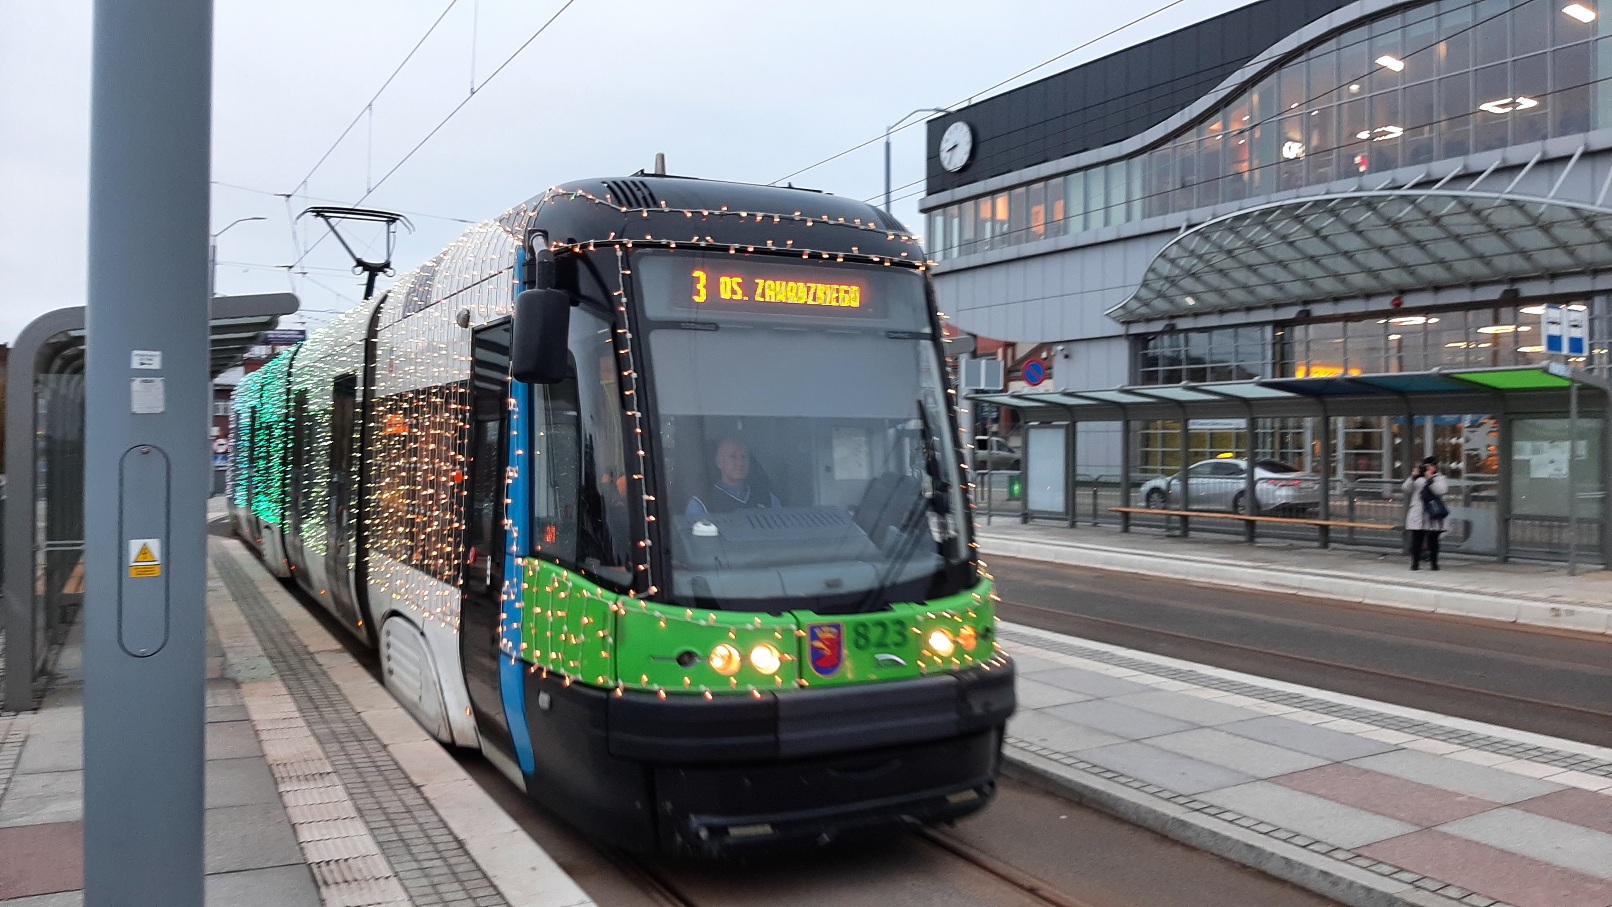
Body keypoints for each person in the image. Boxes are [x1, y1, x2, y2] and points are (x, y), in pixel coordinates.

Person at [685, 437, 781, 516]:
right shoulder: (701, 504)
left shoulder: (768, 499)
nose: (740, 463)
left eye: (744, 457)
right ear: (719, 462)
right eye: (732, 457)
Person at [1403, 456, 1449, 571]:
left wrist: (1430, 480)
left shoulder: (1439, 478)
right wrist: (1413, 477)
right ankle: (1415, 563)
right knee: (1417, 538)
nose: (1430, 468)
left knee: (1433, 539)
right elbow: (1405, 488)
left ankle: (1434, 563)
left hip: (1432, 511)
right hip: (1418, 511)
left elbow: (1441, 490)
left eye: (1433, 466)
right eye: (1428, 466)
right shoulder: (1417, 477)